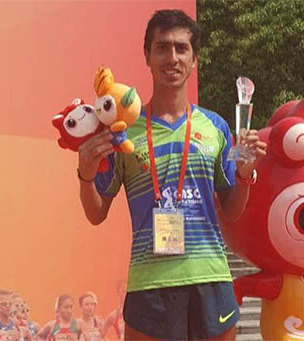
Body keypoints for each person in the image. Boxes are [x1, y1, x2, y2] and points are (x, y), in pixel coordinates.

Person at [77, 9, 266, 341]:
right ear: (147, 56)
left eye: (182, 48)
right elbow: (96, 213)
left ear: (194, 59)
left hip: (210, 278)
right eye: (162, 47)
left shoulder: (216, 127)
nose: (172, 57)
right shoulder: (122, 132)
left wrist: (246, 174)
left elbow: (232, 210)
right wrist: (86, 175)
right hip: (150, 284)